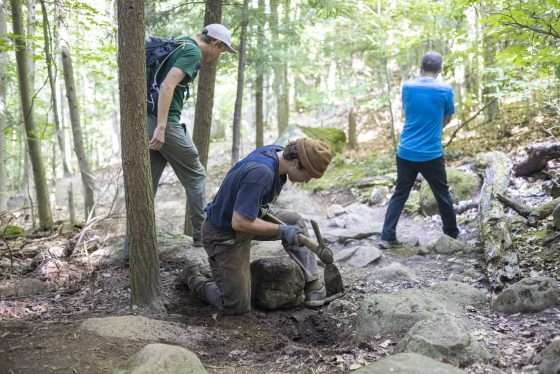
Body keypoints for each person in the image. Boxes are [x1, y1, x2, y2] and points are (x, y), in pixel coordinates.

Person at [183, 138, 332, 315]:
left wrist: (285, 228)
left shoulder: (277, 155)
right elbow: (239, 222)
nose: (307, 180)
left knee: (294, 221)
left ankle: (312, 284)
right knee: (235, 305)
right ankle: (193, 276)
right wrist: (281, 230)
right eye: (308, 175)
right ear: (296, 162)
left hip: (251, 217)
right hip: (224, 235)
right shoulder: (261, 173)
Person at [126, 24, 235, 258]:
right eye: (222, 51)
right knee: (196, 174)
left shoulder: (182, 41)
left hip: (147, 121)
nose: (219, 56)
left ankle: (132, 247)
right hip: (163, 123)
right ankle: (204, 236)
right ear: (215, 44)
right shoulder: (193, 52)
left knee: (148, 185)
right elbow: (167, 85)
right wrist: (163, 127)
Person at [379, 51, 459, 249]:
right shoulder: (445, 90)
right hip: (431, 152)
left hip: (405, 150)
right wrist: (433, 130)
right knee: (442, 193)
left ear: (420, 67)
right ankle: (451, 234)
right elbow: (447, 118)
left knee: (400, 193)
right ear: (440, 70)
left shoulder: (407, 87)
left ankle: (387, 235)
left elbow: (408, 112)